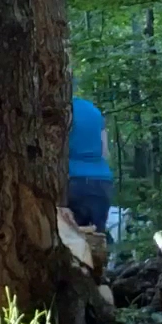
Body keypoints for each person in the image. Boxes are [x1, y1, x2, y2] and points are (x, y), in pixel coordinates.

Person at [67, 96, 113, 230]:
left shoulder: (61, 111)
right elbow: (105, 152)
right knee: (97, 238)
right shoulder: (94, 111)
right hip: (103, 182)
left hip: (73, 181)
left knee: (72, 239)